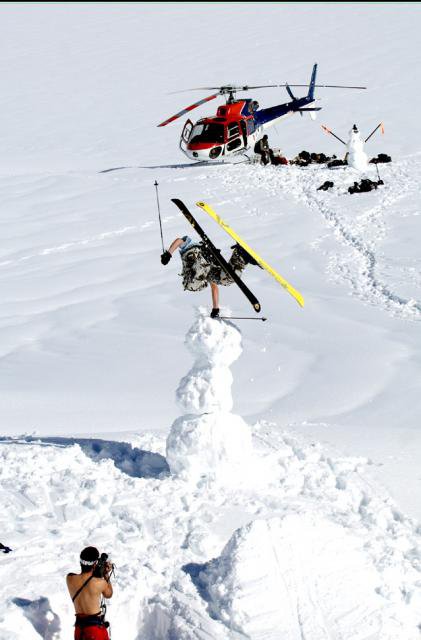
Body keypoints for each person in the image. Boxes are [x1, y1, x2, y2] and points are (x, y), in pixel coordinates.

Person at [161, 236, 257, 318]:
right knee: (227, 279)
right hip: (209, 263)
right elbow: (214, 287)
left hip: (200, 255)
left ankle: (204, 258)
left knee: (191, 284)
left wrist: (169, 253)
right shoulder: (204, 276)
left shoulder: (188, 251)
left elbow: (179, 240)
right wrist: (215, 308)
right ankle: (241, 256)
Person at [66, 546, 113, 640]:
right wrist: (106, 574)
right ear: (95, 564)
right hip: (95, 630)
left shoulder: (69, 578)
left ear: (80, 562)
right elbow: (109, 594)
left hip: (79, 629)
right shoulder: (100, 583)